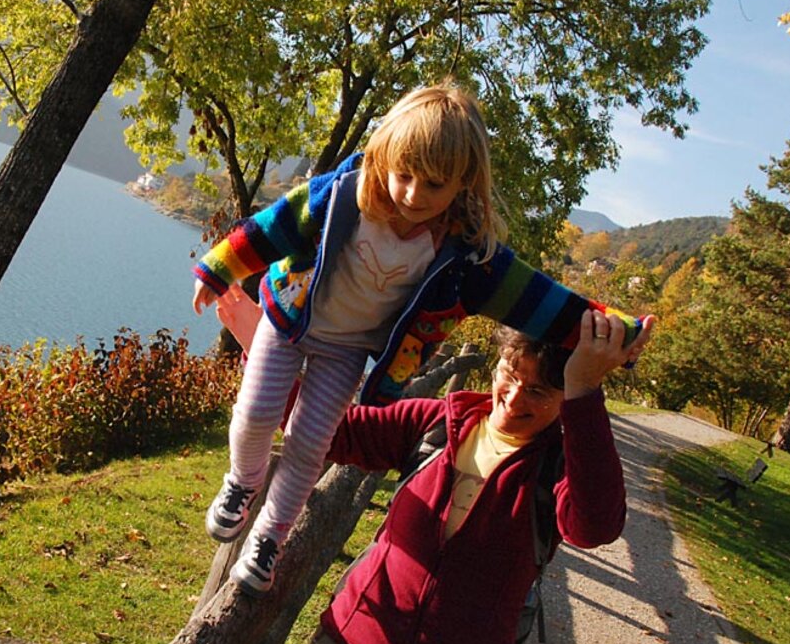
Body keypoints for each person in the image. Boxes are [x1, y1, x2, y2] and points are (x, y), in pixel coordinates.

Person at [192, 82, 643, 595]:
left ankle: (270, 534)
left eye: (433, 185)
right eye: (402, 174)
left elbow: (538, 300)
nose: (411, 195)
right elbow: (275, 228)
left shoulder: (468, 259)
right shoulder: (342, 196)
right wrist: (221, 265)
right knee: (254, 414)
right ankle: (243, 481)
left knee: (311, 445)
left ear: (463, 184)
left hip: (346, 351)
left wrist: (615, 329)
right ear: (385, 154)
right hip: (288, 323)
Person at [280, 312, 652, 644]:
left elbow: (595, 527)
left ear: (565, 398)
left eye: (539, 391)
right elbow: (331, 431)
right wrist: (266, 345)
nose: (513, 399)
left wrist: (586, 392)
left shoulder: (559, 468)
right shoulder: (434, 425)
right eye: (509, 374)